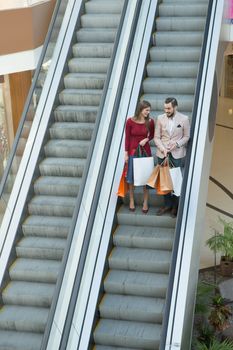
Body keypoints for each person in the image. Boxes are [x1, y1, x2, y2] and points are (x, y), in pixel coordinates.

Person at [154, 97, 190, 218]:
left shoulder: (184, 119)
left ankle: (175, 206)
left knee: (175, 180)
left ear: (175, 107)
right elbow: (156, 137)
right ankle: (167, 204)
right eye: (165, 108)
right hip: (162, 154)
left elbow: (186, 136)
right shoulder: (159, 118)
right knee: (164, 180)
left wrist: (177, 144)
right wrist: (163, 149)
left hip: (177, 154)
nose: (166, 110)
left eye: (169, 108)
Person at [125, 100, 155, 213]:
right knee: (131, 178)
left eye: (149, 110)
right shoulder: (130, 121)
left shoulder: (150, 122)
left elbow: (152, 135)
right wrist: (126, 153)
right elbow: (127, 138)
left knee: (146, 177)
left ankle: (145, 202)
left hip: (145, 151)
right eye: (146, 110)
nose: (148, 112)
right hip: (133, 152)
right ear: (140, 109)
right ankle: (132, 200)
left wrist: (146, 139)